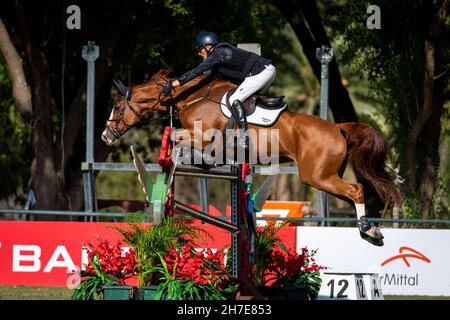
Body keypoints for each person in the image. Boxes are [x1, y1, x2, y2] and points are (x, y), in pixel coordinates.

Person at [162, 31, 276, 149]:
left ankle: (244, 139)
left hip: (261, 71)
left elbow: (197, 70)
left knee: (234, 99)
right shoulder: (216, 59)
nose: (199, 53)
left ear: (207, 46)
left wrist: (174, 83)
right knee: (245, 102)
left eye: (200, 50)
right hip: (265, 71)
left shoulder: (219, 52)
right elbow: (201, 78)